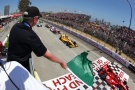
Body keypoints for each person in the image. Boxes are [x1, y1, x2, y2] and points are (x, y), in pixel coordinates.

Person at [7, 6, 67, 71]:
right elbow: (47, 55)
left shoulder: (15, 26)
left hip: (9, 64)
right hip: (20, 70)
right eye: (38, 18)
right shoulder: (30, 35)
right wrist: (61, 62)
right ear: (35, 18)